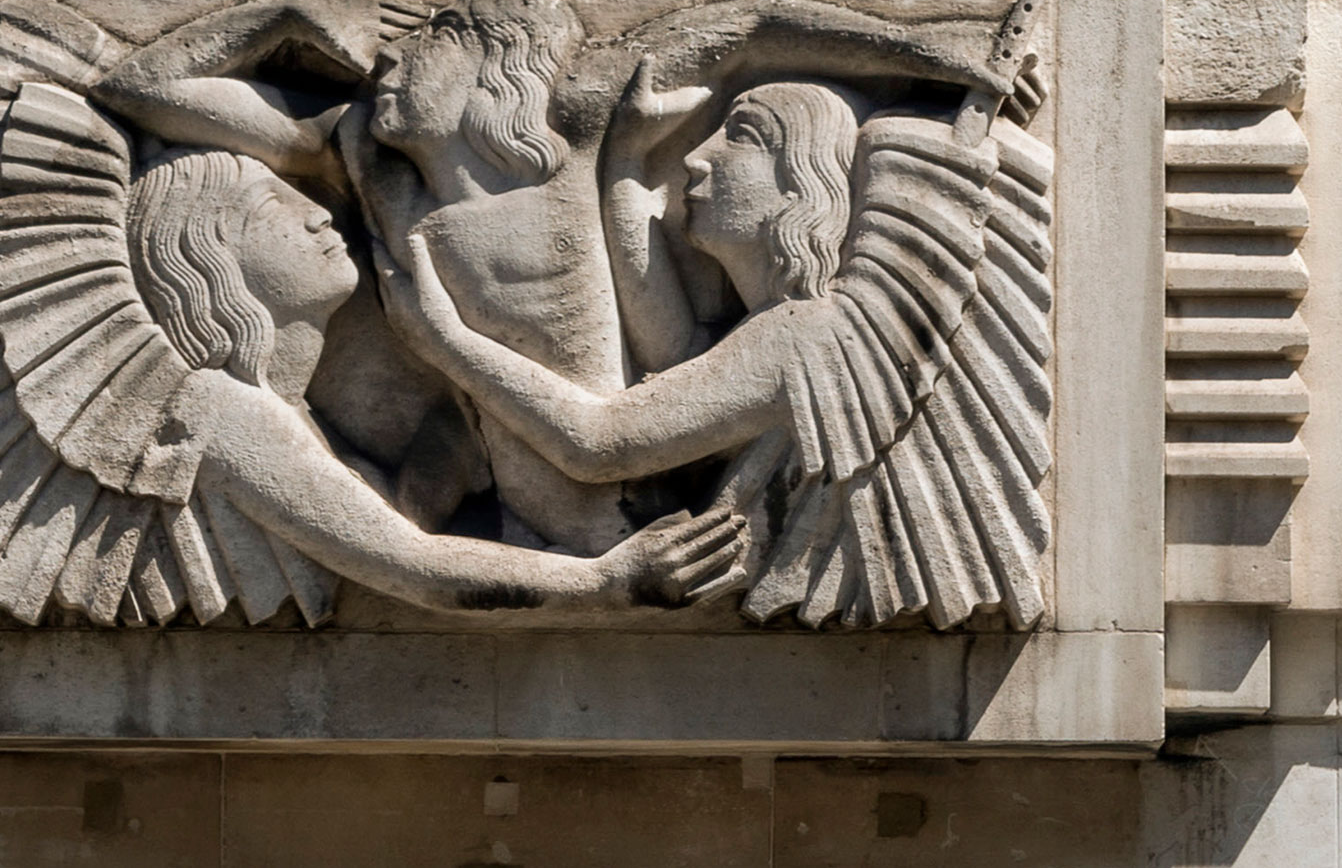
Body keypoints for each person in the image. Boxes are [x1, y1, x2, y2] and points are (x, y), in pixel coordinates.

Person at [0, 79, 750, 624]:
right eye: (272, 202)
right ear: (208, 257)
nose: (314, 211)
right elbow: (413, 563)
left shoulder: (286, 410)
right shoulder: (219, 410)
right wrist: (606, 580)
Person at [375, 76, 1054, 630]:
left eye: (744, 135)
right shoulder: (784, 333)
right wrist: (622, 169)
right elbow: (679, 355)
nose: (699, 155)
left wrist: (448, 342)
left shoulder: (802, 333)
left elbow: (599, 440)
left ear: (802, 185)